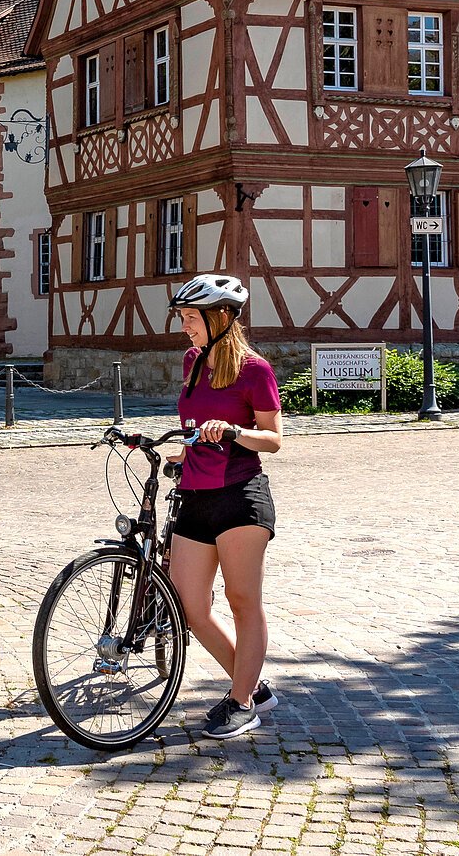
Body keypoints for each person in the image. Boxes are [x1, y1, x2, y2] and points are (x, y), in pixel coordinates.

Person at [163, 273, 283, 741]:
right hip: (195, 494)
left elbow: (273, 439)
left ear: (219, 318)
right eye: (184, 318)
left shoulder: (255, 369)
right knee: (190, 605)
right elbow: (194, 426)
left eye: (192, 318)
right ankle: (253, 686)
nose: (186, 327)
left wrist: (233, 431)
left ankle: (241, 703)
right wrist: (176, 448)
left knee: (241, 600)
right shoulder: (193, 361)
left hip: (240, 496)